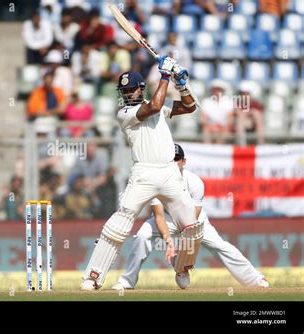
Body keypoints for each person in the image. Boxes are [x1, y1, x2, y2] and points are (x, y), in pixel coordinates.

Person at [81, 54, 201, 290]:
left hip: (169, 171)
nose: (127, 95)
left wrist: (182, 85)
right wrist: (165, 75)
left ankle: (182, 267)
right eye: (124, 91)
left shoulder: (158, 107)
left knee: (192, 227)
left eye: (132, 90)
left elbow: (190, 106)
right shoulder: (124, 114)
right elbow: (154, 105)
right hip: (143, 174)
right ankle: (93, 276)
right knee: (120, 223)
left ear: (142, 89)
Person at [112, 144, 270, 290]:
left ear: (183, 161)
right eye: (169, 160)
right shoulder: (156, 183)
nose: (173, 163)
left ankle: (254, 280)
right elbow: (159, 215)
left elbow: (192, 217)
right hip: (167, 218)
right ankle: (127, 282)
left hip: (195, 219)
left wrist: (183, 247)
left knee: (220, 246)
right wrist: (168, 241)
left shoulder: (194, 182)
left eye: (177, 159)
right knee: (141, 236)